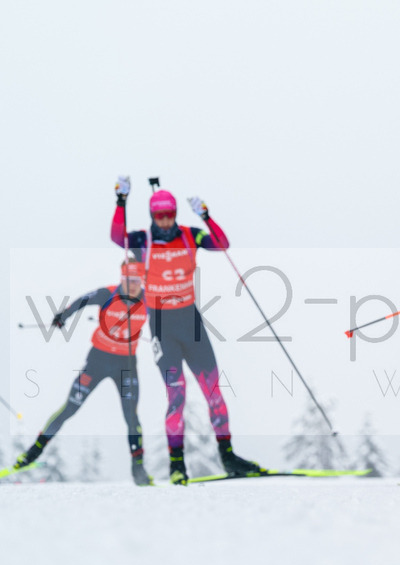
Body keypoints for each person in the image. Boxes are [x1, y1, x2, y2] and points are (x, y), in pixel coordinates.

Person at [110, 176, 264, 485]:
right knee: (176, 393)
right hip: (163, 327)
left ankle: (228, 456)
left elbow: (222, 244)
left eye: (169, 214)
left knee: (214, 391)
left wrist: (206, 216)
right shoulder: (143, 240)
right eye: (159, 215)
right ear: (153, 215)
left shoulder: (191, 236)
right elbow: (117, 237)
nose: (165, 220)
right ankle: (177, 464)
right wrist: (121, 202)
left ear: (176, 213)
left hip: (191, 323)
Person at [12, 259, 152, 485]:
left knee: (131, 415)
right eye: (128, 280)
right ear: (121, 279)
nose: (133, 285)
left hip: (126, 364)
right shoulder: (107, 293)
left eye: (137, 281)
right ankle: (32, 453)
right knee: (70, 407)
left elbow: (168, 317)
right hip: (98, 359)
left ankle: (139, 469)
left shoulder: (148, 299)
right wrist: (63, 316)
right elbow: (82, 300)